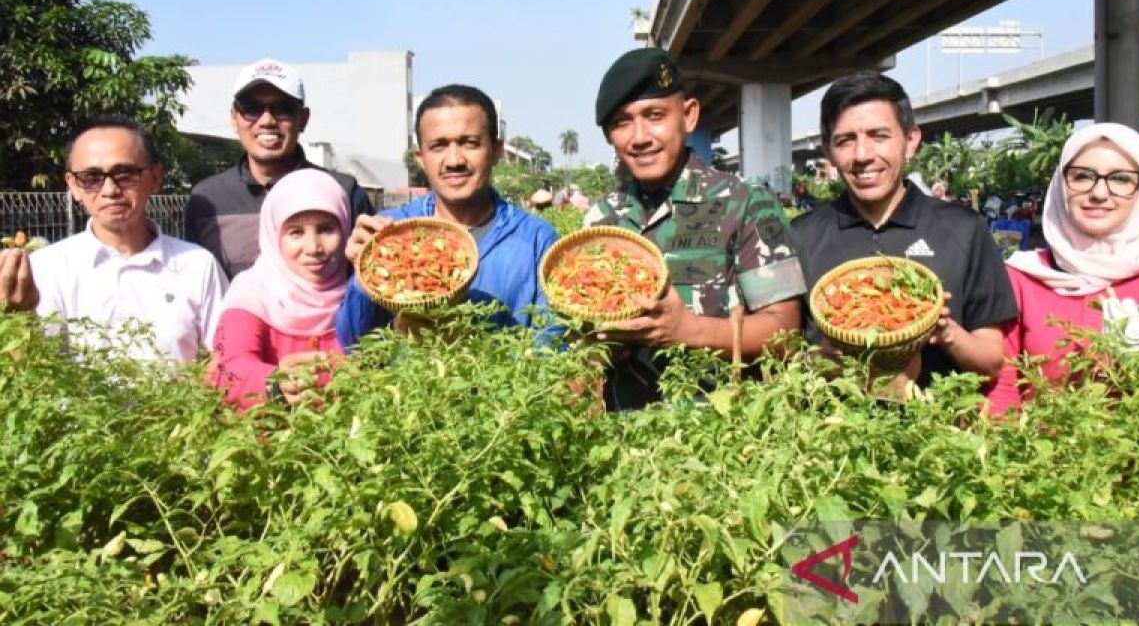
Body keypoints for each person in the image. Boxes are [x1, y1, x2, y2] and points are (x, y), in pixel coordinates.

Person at [586, 47, 804, 411]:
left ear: (688, 115)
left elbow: (784, 332)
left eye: (654, 115)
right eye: (622, 122)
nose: (639, 137)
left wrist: (687, 331)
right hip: (621, 441)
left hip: (719, 441)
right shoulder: (600, 220)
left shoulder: (747, 203)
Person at [788, 72, 1017, 390]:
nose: (863, 155)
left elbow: (992, 361)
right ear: (827, 151)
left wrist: (945, 331)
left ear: (910, 141)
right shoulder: (800, 237)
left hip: (935, 434)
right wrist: (823, 359)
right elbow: (782, 355)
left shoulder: (965, 230)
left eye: (879, 136)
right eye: (845, 140)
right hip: (831, 434)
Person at [985, 123, 1139, 414]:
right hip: (1039, 456)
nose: (1099, 192)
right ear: (1061, 184)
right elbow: (1003, 388)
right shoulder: (1022, 276)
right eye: (1082, 176)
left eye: (1121, 179)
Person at [337, 84, 557, 344]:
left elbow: (553, 345)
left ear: (497, 151)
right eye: (439, 146)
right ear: (420, 157)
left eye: (470, 143)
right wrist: (363, 279)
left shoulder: (536, 240)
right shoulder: (391, 231)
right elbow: (353, 344)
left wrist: (474, 343)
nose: (454, 160)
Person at [0, 116, 227, 361]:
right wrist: (19, 318)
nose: (110, 190)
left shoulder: (197, 266)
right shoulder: (42, 269)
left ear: (155, 178)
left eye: (125, 174)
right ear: (73, 185)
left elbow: (222, 358)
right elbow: (26, 370)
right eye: (91, 177)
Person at [184, 58, 374, 279]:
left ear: (303, 119)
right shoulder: (208, 200)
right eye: (251, 109)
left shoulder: (343, 192)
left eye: (282, 109)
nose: (267, 120)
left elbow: (372, 282)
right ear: (234, 119)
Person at [209, 169, 351, 411]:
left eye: (326, 229)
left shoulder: (363, 293)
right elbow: (228, 369)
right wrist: (275, 384)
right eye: (296, 232)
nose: (313, 247)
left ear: (346, 228)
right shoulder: (252, 292)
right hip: (270, 444)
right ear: (274, 235)